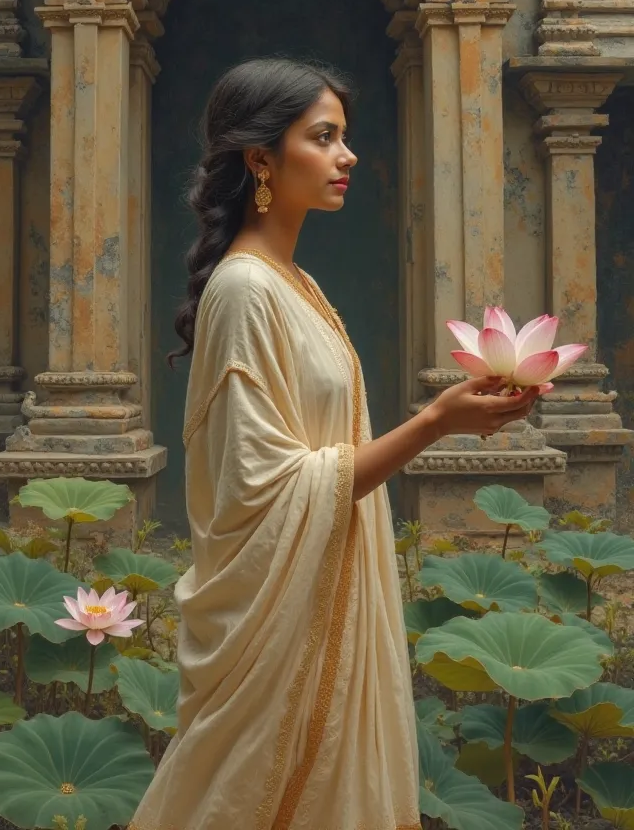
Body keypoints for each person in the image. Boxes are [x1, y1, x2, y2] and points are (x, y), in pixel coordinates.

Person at [128, 58, 539, 830]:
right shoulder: (247, 290)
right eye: (324, 138)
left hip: (326, 588)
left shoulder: (295, 283)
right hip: (270, 620)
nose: (347, 156)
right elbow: (263, 486)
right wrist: (433, 425)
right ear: (261, 159)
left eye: (344, 138)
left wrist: (445, 419)